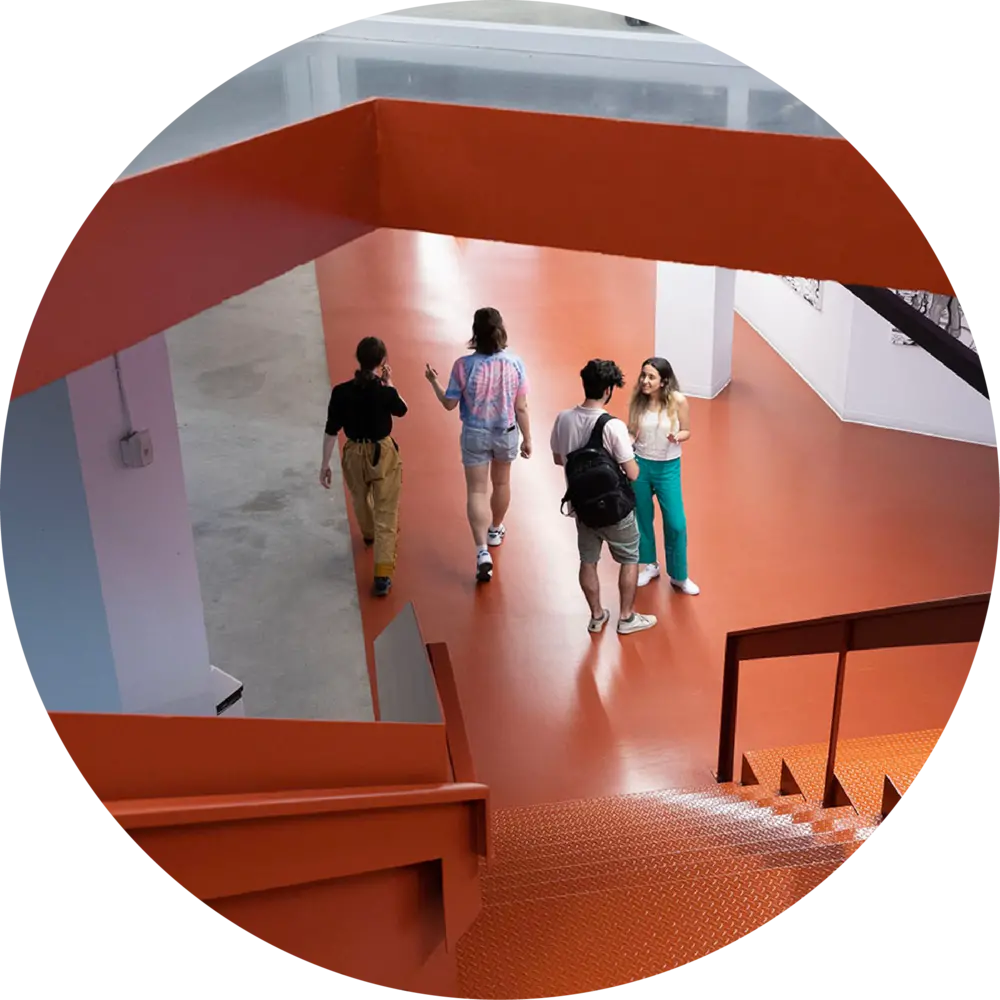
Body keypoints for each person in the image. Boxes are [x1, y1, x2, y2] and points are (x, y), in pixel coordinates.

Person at [550, 359, 658, 635]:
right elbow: (632, 473)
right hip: (614, 509)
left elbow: (557, 459)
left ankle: (597, 616)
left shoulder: (563, 419)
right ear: (609, 390)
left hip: (582, 508)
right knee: (629, 558)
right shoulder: (613, 426)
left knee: (588, 560)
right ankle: (627, 617)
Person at [425, 307, 531, 584]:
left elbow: (449, 403)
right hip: (505, 432)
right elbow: (521, 407)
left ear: (475, 333)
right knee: (502, 484)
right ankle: (496, 529)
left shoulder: (463, 366)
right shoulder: (515, 364)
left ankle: (482, 551)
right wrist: (528, 438)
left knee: (477, 490)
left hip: (474, 433)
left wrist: (433, 381)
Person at [321, 337, 407, 598]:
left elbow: (331, 430)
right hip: (382, 454)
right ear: (382, 362)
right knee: (387, 509)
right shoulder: (384, 392)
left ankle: (368, 533)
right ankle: (382, 574)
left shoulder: (340, 392)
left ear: (358, 359)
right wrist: (390, 383)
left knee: (360, 498)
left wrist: (325, 463)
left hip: (354, 453)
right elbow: (402, 409)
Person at [627, 357, 699, 595]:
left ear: (663, 381)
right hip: (641, 466)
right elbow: (631, 431)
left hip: (668, 467)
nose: (645, 381)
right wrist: (625, 445)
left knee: (676, 522)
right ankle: (650, 565)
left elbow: (687, 430)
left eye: (651, 377)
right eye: (643, 375)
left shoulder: (678, 401)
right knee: (643, 518)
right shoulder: (638, 401)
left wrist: (678, 436)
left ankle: (679, 575)